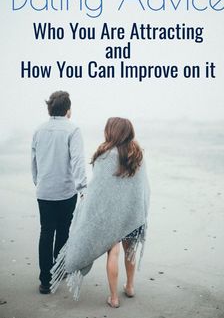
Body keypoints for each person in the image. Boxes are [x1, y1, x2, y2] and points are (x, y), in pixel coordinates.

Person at [50, 117, 150, 308]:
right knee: (130, 250)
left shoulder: (104, 155)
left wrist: (87, 205)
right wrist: (140, 210)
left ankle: (113, 298)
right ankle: (130, 287)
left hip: (110, 216)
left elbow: (97, 189)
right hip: (132, 214)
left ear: (111, 131)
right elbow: (143, 188)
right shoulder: (138, 154)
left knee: (114, 252)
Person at [31, 91, 87, 294]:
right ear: (68, 110)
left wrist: (39, 182)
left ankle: (45, 281)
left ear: (49, 108)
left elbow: (34, 162)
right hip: (65, 192)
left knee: (46, 232)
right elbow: (78, 162)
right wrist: (83, 188)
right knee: (63, 230)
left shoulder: (39, 130)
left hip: (44, 191)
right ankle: (58, 271)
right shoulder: (73, 130)